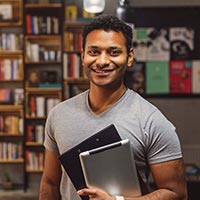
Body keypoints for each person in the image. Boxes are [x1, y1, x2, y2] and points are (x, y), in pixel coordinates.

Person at [39, 14, 187, 200]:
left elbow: (177, 194)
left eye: (114, 52)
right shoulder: (59, 115)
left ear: (130, 57)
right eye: (94, 52)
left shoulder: (151, 121)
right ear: (82, 56)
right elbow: (50, 183)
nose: (102, 61)